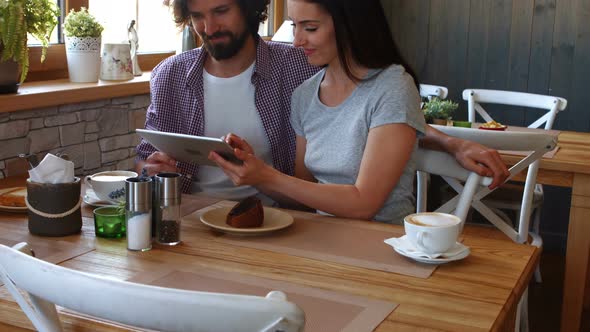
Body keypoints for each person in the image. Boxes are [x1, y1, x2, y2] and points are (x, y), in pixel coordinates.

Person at [136, 0, 509, 206]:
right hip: (190, 215)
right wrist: (149, 167)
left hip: (275, 217)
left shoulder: (299, 65)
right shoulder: (170, 74)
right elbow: (146, 153)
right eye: (198, 16)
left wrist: (450, 141)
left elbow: (376, 111)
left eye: (221, 11)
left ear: (249, 8)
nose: (209, 26)